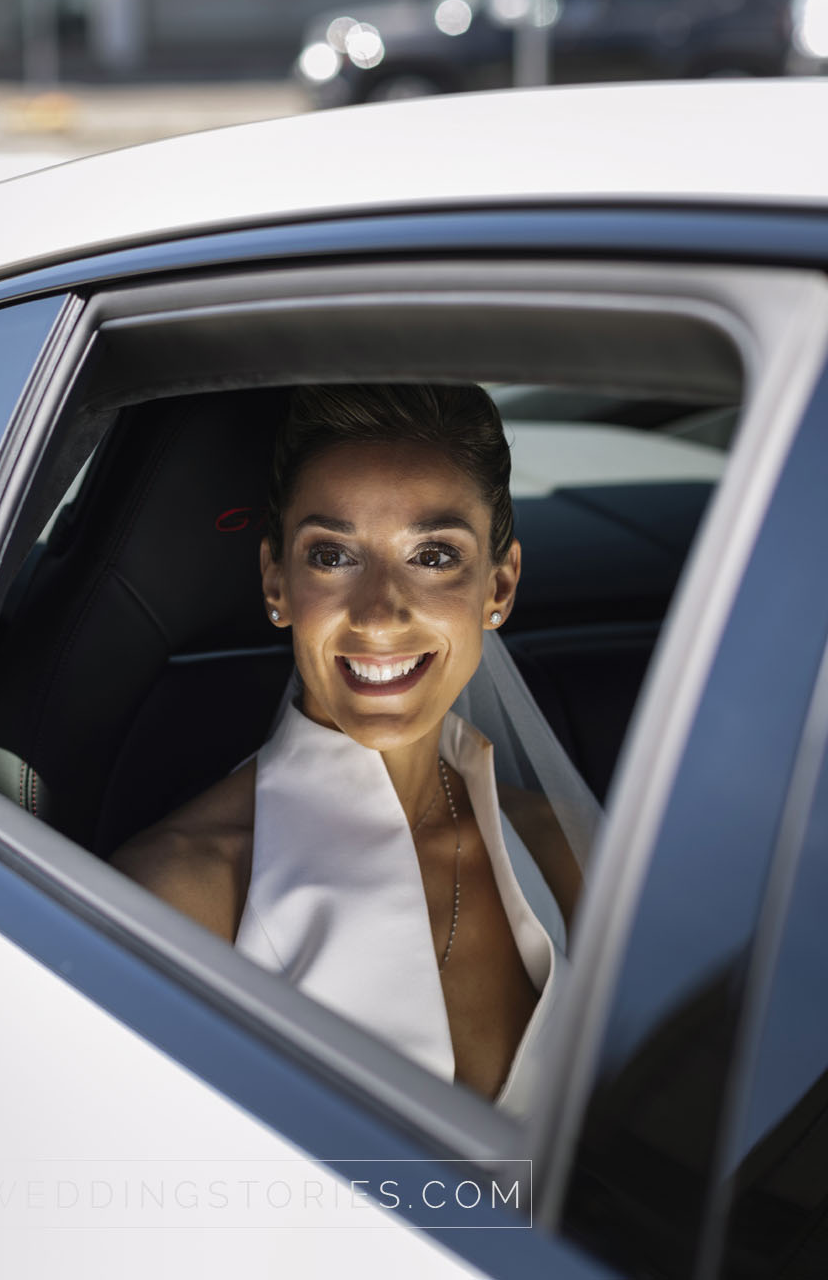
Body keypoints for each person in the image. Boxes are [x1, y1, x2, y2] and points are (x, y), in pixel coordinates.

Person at [113, 384, 584, 1105]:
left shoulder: (561, 846)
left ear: (501, 584)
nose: (379, 612)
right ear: (276, 581)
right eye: (333, 556)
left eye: (433, 555)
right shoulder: (185, 895)